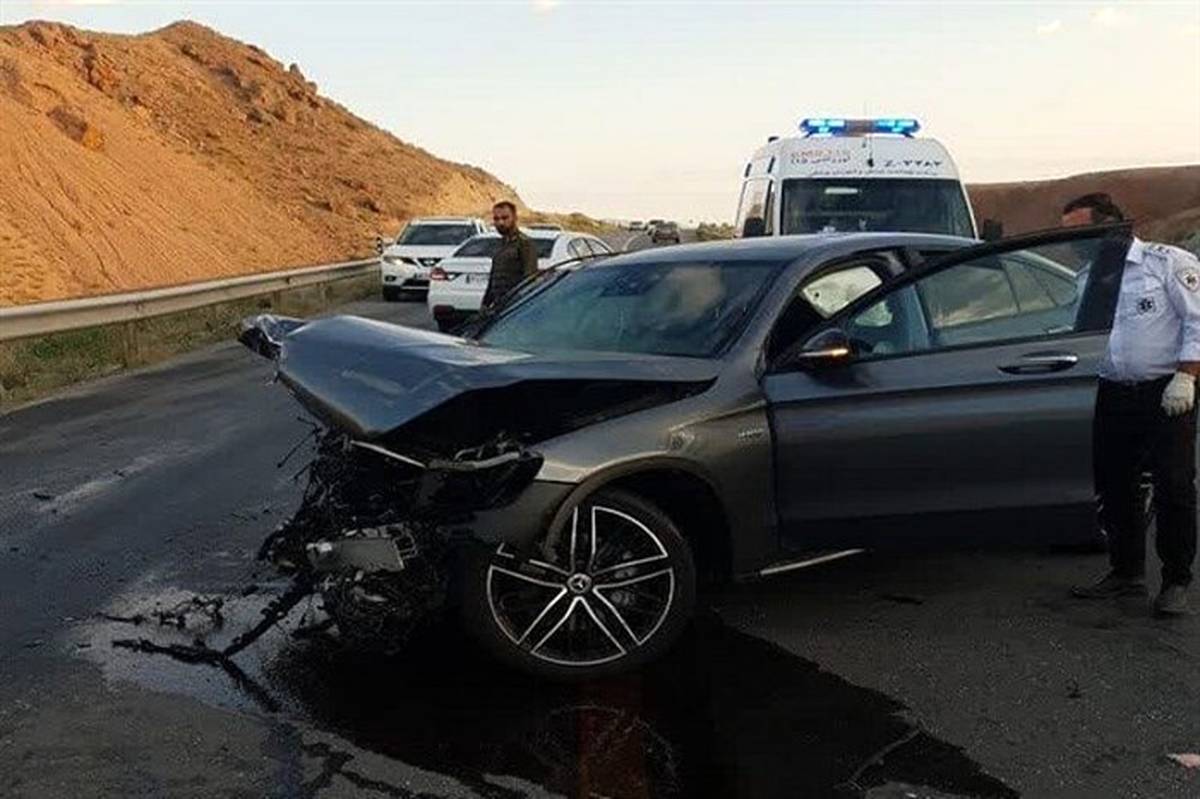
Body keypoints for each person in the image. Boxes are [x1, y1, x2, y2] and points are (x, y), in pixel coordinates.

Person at [1067, 194, 1200, 616]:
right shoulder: (1086, 278)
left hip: (1165, 390)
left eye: (1081, 234)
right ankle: (1125, 573)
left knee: (1173, 485)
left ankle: (1176, 580)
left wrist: (1187, 376)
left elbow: (1197, 320)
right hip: (1111, 391)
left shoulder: (1166, 263)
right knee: (1115, 485)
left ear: (1112, 229)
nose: (1075, 246)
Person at [482, 201, 539, 310]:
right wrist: (485, 304)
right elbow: (494, 278)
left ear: (515, 218)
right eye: (496, 219)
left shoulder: (524, 244)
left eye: (505, 218)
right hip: (499, 305)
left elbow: (529, 278)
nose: (500, 223)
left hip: (515, 306)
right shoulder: (500, 245)